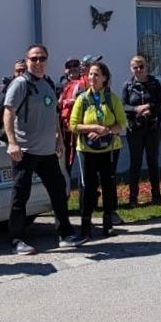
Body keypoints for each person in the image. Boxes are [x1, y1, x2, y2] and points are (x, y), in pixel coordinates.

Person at [3, 44, 84, 255]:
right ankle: (16, 239)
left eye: (42, 58)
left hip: (47, 151)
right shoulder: (20, 84)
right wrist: (12, 142)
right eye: (34, 59)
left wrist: (58, 138)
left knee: (58, 191)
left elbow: (54, 113)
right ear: (27, 60)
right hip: (26, 151)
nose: (38, 62)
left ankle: (65, 233)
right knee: (21, 195)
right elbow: (8, 112)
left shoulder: (47, 83)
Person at [70, 60, 128, 239]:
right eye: (90, 74)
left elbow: (122, 124)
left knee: (109, 184)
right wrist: (93, 128)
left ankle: (108, 223)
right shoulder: (82, 99)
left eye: (97, 75)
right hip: (86, 150)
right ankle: (85, 226)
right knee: (88, 186)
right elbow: (73, 125)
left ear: (105, 78)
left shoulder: (112, 98)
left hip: (109, 149)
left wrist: (107, 131)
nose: (92, 78)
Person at [121, 55, 161, 207]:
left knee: (153, 162)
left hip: (152, 128)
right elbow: (123, 106)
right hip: (135, 129)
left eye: (141, 67)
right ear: (131, 69)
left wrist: (149, 108)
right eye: (135, 67)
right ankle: (133, 198)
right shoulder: (128, 85)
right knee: (135, 163)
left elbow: (160, 103)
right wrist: (136, 109)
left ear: (146, 67)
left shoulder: (154, 83)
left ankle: (156, 196)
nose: (139, 70)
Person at [0, 59, 27, 140]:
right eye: (18, 71)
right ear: (14, 71)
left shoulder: (34, 86)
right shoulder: (4, 88)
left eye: (24, 70)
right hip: (9, 134)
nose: (21, 73)